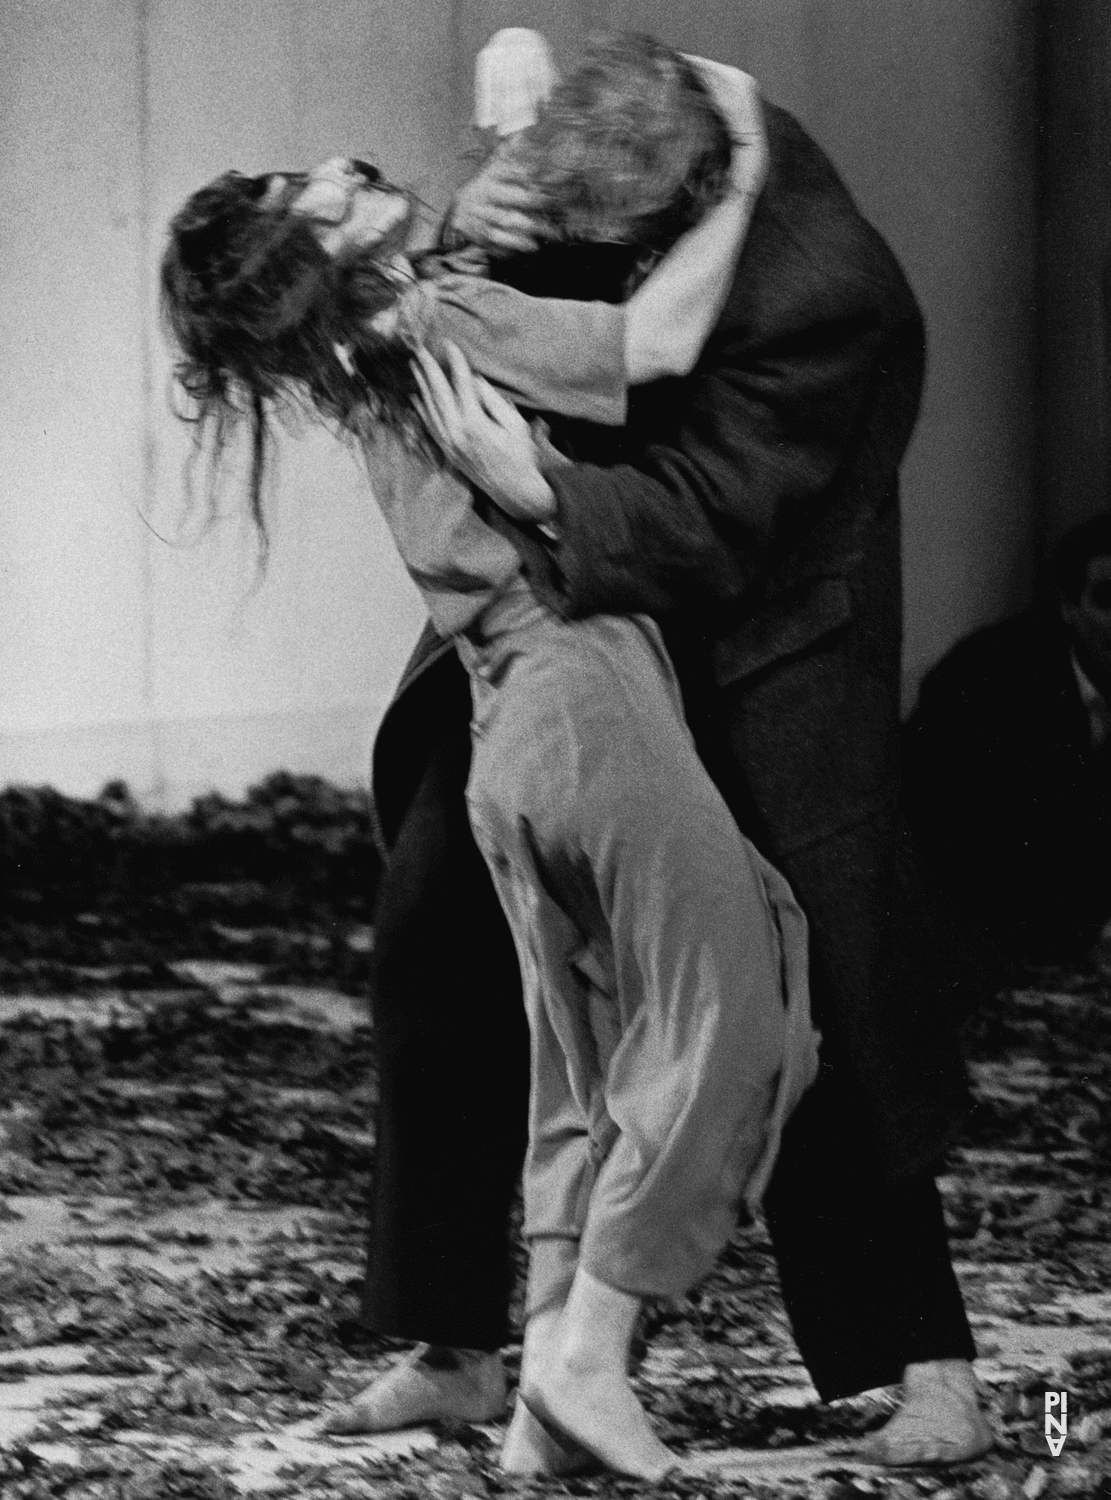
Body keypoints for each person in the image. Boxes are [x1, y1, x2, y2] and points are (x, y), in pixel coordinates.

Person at [161, 68, 823, 1480]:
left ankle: (530, 1408)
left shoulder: (361, 361)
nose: (343, 161)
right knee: (735, 1009)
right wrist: (752, 163)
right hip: (586, 702)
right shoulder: (444, 316)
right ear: (314, 256)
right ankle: (585, 1357)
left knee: (578, 1073)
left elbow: (455, 235)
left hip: (507, 742)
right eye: (317, 191)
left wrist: (477, 154)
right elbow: (654, 338)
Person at [346, 29, 992, 1469]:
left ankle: (935, 1367)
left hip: (752, 597)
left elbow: (712, 508)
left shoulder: (829, 297)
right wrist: (493, 158)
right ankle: (457, 1343)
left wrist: (535, 483)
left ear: (685, 216)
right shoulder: (633, 123)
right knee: (436, 908)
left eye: (608, 246)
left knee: (806, 961)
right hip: (562, 599)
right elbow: (498, 276)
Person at [904, 514, 1111, 967]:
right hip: (973, 934)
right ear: (1068, 607)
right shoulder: (988, 682)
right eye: (1108, 599)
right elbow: (971, 853)